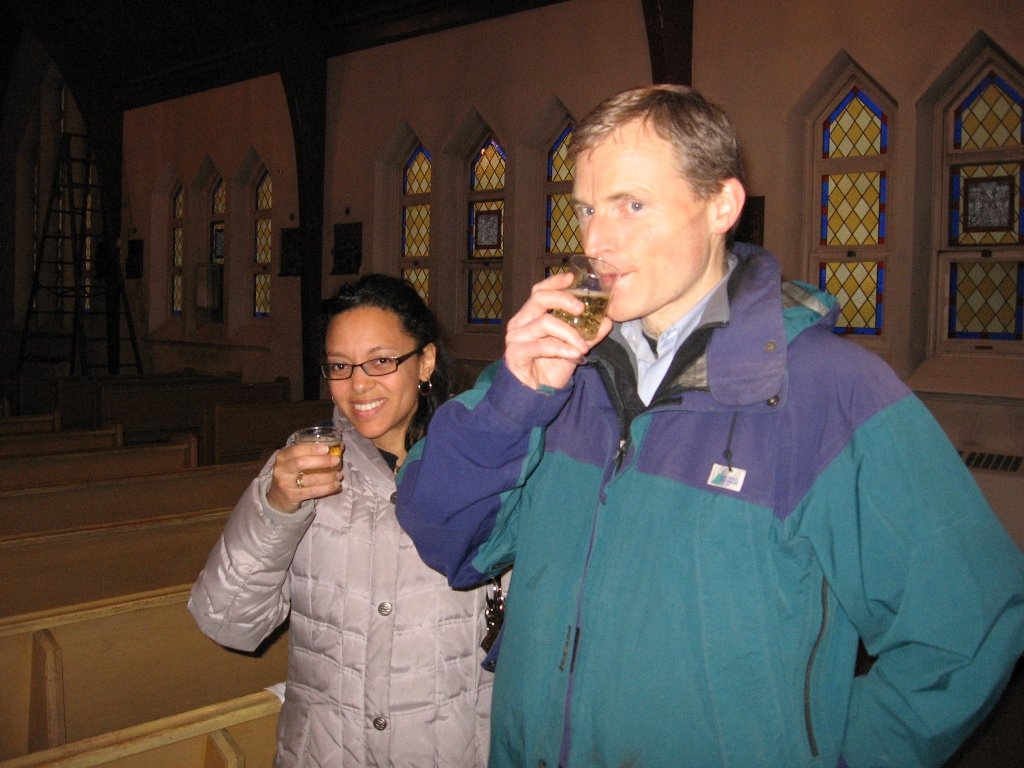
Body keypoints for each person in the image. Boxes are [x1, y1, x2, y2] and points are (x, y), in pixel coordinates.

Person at [395, 85, 1024, 767]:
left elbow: (968, 625)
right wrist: (513, 403)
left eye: (632, 205)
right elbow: (444, 537)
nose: (595, 242)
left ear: (722, 206)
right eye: (586, 209)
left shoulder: (832, 392)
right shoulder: (552, 373)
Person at [189, 274, 493, 767]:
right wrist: (276, 510)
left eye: (381, 360)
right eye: (339, 365)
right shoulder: (298, 471)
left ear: (426, 361)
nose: (358, 384)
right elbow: (227, 623)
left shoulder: (484, 469)